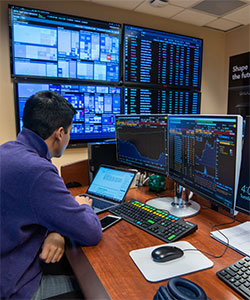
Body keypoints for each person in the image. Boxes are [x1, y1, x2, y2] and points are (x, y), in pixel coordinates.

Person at [0, 91, 102, 300]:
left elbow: (34, 210)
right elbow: (91, 232)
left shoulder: (8, 150)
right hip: (15, 287)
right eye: (70, 132)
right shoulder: (37, 171)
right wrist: (83, 206)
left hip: (8, 264)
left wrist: (58, 232)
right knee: (94, 288)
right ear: (60, 133)